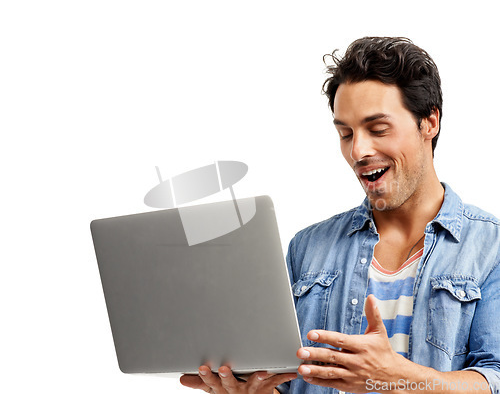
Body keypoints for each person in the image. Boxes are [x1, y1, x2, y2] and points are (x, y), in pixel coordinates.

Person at [180, 37, 500, 394]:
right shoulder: (307, 248)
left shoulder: (490, 246)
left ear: (429, 122)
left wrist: (401, 381)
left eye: (378, 129)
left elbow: (495, 377)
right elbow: (286, 383)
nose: (358, 150)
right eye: (345, 133)